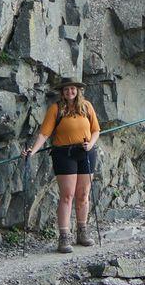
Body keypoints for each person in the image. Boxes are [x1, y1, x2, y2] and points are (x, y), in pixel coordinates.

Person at [24, 78, 100, 252]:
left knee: (83, 194)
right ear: (62, 92)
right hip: (64, 154)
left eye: (73, 89)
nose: (70, 92)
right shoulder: (56, 109)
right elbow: (44, 134)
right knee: (67, 196)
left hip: (85, 152)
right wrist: (32, 151)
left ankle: (82, 232)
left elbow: (96, 130)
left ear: (78, 90)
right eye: (66, 90)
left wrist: (91, 144)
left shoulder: (87, 107)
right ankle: (64, 237)